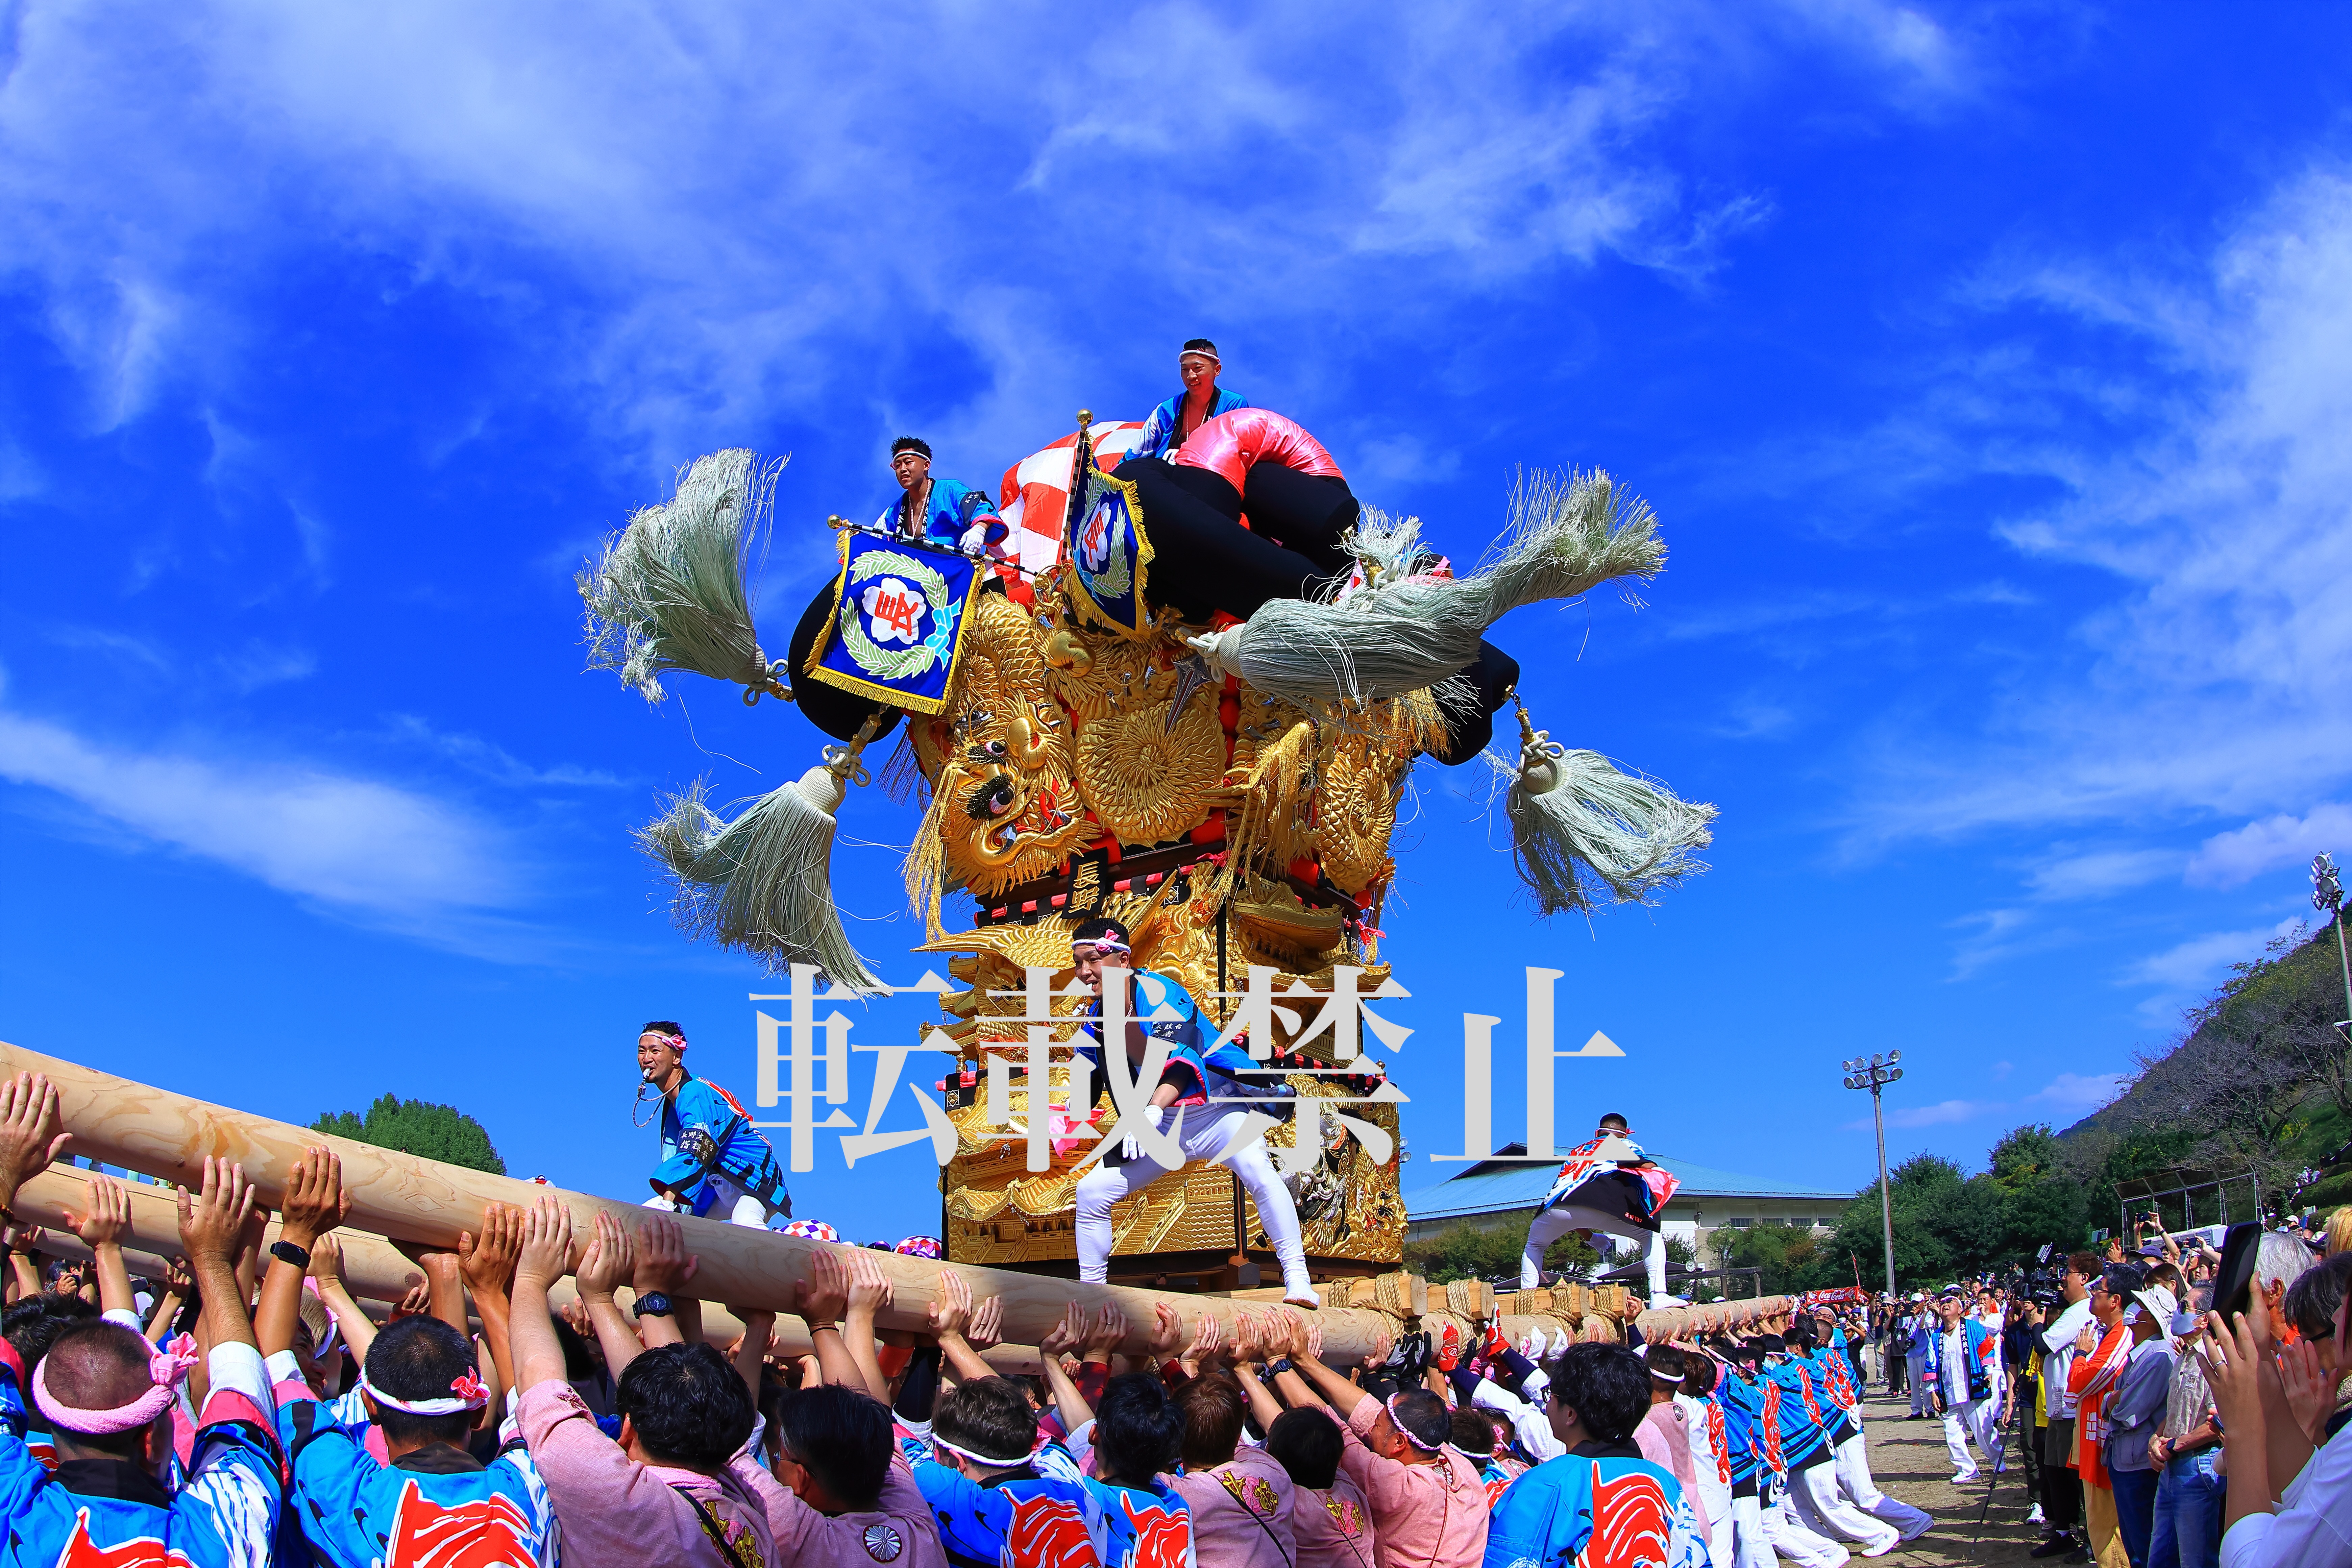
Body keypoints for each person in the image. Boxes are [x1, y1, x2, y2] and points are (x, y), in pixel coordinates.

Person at [0, 1070, 282, 1568]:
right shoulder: (220, 1532)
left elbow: (243, 1397)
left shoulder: (17, 1518)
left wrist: (4, 1178)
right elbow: (243, 1410)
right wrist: (212, 1260)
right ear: (153, 1441)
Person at [256, 1146, 555, 1568]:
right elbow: (532, 1405)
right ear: (476, 1411)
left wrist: (297, 1234)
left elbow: (274, 1358)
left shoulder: (347, 1493)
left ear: (370, 1406)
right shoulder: (531, 1487)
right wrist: (487, 1292)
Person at [1065, 916, 1320, 1306]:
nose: (1084, 972)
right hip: (1162, 1126)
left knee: (1259, 1171)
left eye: (1092, 960)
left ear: (1122, 959)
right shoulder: (1093, 1023)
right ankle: (1093, 1296)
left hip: (1217, 1112)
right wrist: (1070, 1100)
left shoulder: (1162, 993)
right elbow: (1088, 1085)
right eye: (1078, 963)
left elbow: (1183, 1062)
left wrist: (1151, 1109)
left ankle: (1298, 1278)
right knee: (1091, 1192)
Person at [1483, 1341, 1709, 1568]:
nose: (1549, 1402)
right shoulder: (1665, 1483)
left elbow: (1508, 1560)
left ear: (1570, 1414)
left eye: (1551, 1395)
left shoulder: (1546, 1484)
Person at [636, 1021, 791, 1226]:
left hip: (753, 1177)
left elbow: (698, 1146)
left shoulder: (694, 1093)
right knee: (650, 1218)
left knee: (745, 1222)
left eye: (655, 1051)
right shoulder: (677, 1096)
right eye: (642, 1051)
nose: (647, 1058)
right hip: (718, 1184)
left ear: (677, 1057)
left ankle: (789, 1243)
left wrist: (669, 1200)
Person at [1517, 1115, 1679, 1308]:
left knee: (1535, 1245)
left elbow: (1574, 1209)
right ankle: (1659, 1295)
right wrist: (1658, 1170)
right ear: (1626, 1134)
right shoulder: (1621, 1143)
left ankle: (1527, 1299)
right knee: (1651, 1236)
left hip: (1555, 1206)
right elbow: (1642, 1164)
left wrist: (1591, 1237)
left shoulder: (1577, 1152)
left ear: (1597, 1133)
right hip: (1604, 1203)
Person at [2102, 1283, 2181, 1568]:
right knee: (2134, 1542)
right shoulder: (2141, 1354)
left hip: (2139, 1465)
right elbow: (2114, 1401)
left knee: (2145, 1545)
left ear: (2152, 1319)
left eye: (2142, 1307)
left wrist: (2114, 1400)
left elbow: (2128, 1411)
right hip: (2125, 1459)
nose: (2134, 1311)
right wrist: (2114, 1399)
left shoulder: (2159, 1357)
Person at [2037, 1251, 2100, 1562]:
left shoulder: (2079, 1312)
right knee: (2054, 1472)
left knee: (2073, 1476)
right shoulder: (2073, 1311)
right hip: (2059, 1407)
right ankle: (2063, 1532)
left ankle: (2089, 1538)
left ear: (2084, 1279)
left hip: (2073, 1409)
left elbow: (2043, 1345)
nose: (2063, 1279)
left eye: (2069, 1273)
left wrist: (2037, 1322)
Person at [1925, 1287, 2004, 1486]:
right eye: (1943, 1303)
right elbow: (1931, 1365)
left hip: (1973, 1387)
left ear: (1960, 1310)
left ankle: (1997, 1458)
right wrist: (1932, 1392)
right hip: (1948, 1391)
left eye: (1950, 1302)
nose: (1945, 1305)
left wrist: (1989, 1373)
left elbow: (1987, 1348)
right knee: (1952, 1434)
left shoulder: (1973, 1327)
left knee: (1983, 1430)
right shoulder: (1936, 1336)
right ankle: (1966, 1469)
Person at [879, 437, 1008, 558]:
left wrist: (979, 529)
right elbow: (880, 546)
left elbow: (981, 507)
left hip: (952, 567)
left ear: (926, 465)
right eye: (898, 465)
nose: (902, 469)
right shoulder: (893, 511)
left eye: (908, 462)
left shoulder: (949, 490)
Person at [1131, 340, 1250, 463]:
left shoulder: (1233, 404)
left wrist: (1182, 455)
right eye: (1185, 369)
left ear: (1217, 370)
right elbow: (1137, 452)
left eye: (1198, 368)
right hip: (1164, 470)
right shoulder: (1166, 410)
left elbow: (1232, 450)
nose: (1191, 376)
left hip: (1209, 470)